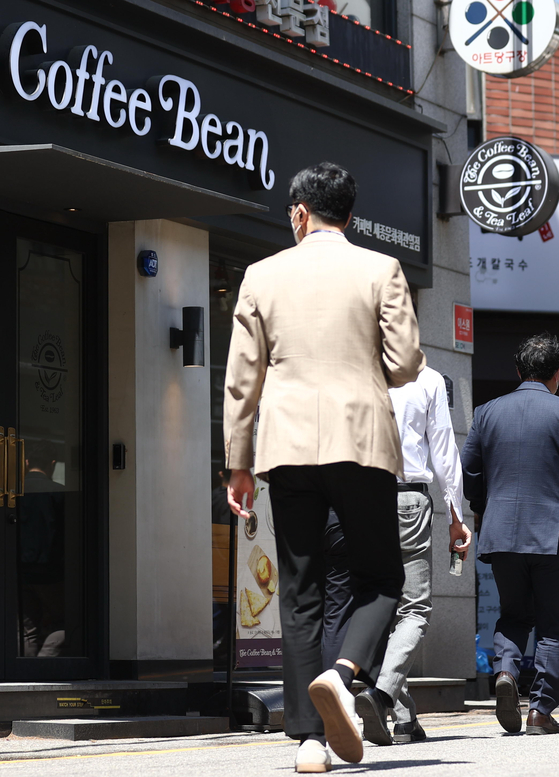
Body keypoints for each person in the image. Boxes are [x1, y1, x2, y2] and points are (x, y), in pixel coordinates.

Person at [223, 161, 425, 772]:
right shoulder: (380, 267)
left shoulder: (261, 275)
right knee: (383, 579)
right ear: (351, 217)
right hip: (361, 439)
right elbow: (408, 361)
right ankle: (344, 674)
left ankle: (311, 741)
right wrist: (364, 371)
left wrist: (237, 464)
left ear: (298, 214)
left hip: (285, 446)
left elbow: (241, 381)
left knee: (300, 589)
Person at [345, 365, 471, 744]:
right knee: (413, 609)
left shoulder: (356, 371)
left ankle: (404, 718)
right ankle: (381, 695)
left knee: (376, 605)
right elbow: (444, 451)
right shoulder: (429, 379)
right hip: (407, 500)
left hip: (361, 500)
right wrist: (456, 516)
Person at [462, 333, 559, 736]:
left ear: (518, 371)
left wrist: (483, 507)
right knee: (553, 622)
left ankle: (505, 672)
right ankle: (540, 709)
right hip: (553, 535)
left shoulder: (486, 412)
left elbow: (469, 472)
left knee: (514, 613)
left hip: (501, 534)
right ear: (556, 374)